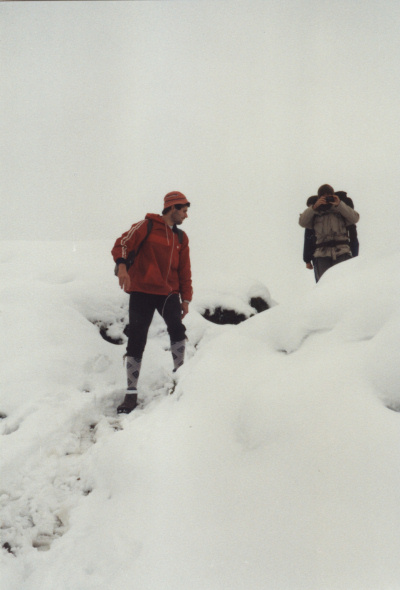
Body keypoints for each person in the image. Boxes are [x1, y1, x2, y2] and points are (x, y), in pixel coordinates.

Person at [111, 191, 192, 413]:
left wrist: (186, 298)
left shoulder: (181, 238)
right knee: (137, 338)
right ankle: (130, 393)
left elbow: (184, 269)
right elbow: (121, 245)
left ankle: (181, 381)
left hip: (168, 293)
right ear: (173, 208)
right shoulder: (145, 226)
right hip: (142, 291)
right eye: (183, 211)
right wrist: (122, 267)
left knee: (177, 329)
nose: (186, 215)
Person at [299, 184, 360, 282]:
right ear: (319, 197)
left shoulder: (341, 210)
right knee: (324, 286)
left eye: (329, 195)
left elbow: (355, 219)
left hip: (342, 252)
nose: (327, 198)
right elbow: (302, 223)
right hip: (321, 255)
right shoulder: (314, 214)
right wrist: (314, 207)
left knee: (344, 283)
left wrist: (339, 204)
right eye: (323, 196)